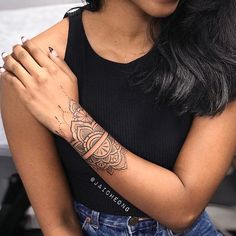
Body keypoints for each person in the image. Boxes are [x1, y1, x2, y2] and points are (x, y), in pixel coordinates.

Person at [0, 0, 236, 235]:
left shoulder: (218, 44)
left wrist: (72, 122)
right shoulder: (32, 75)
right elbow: (59, 223)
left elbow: (183, 211)